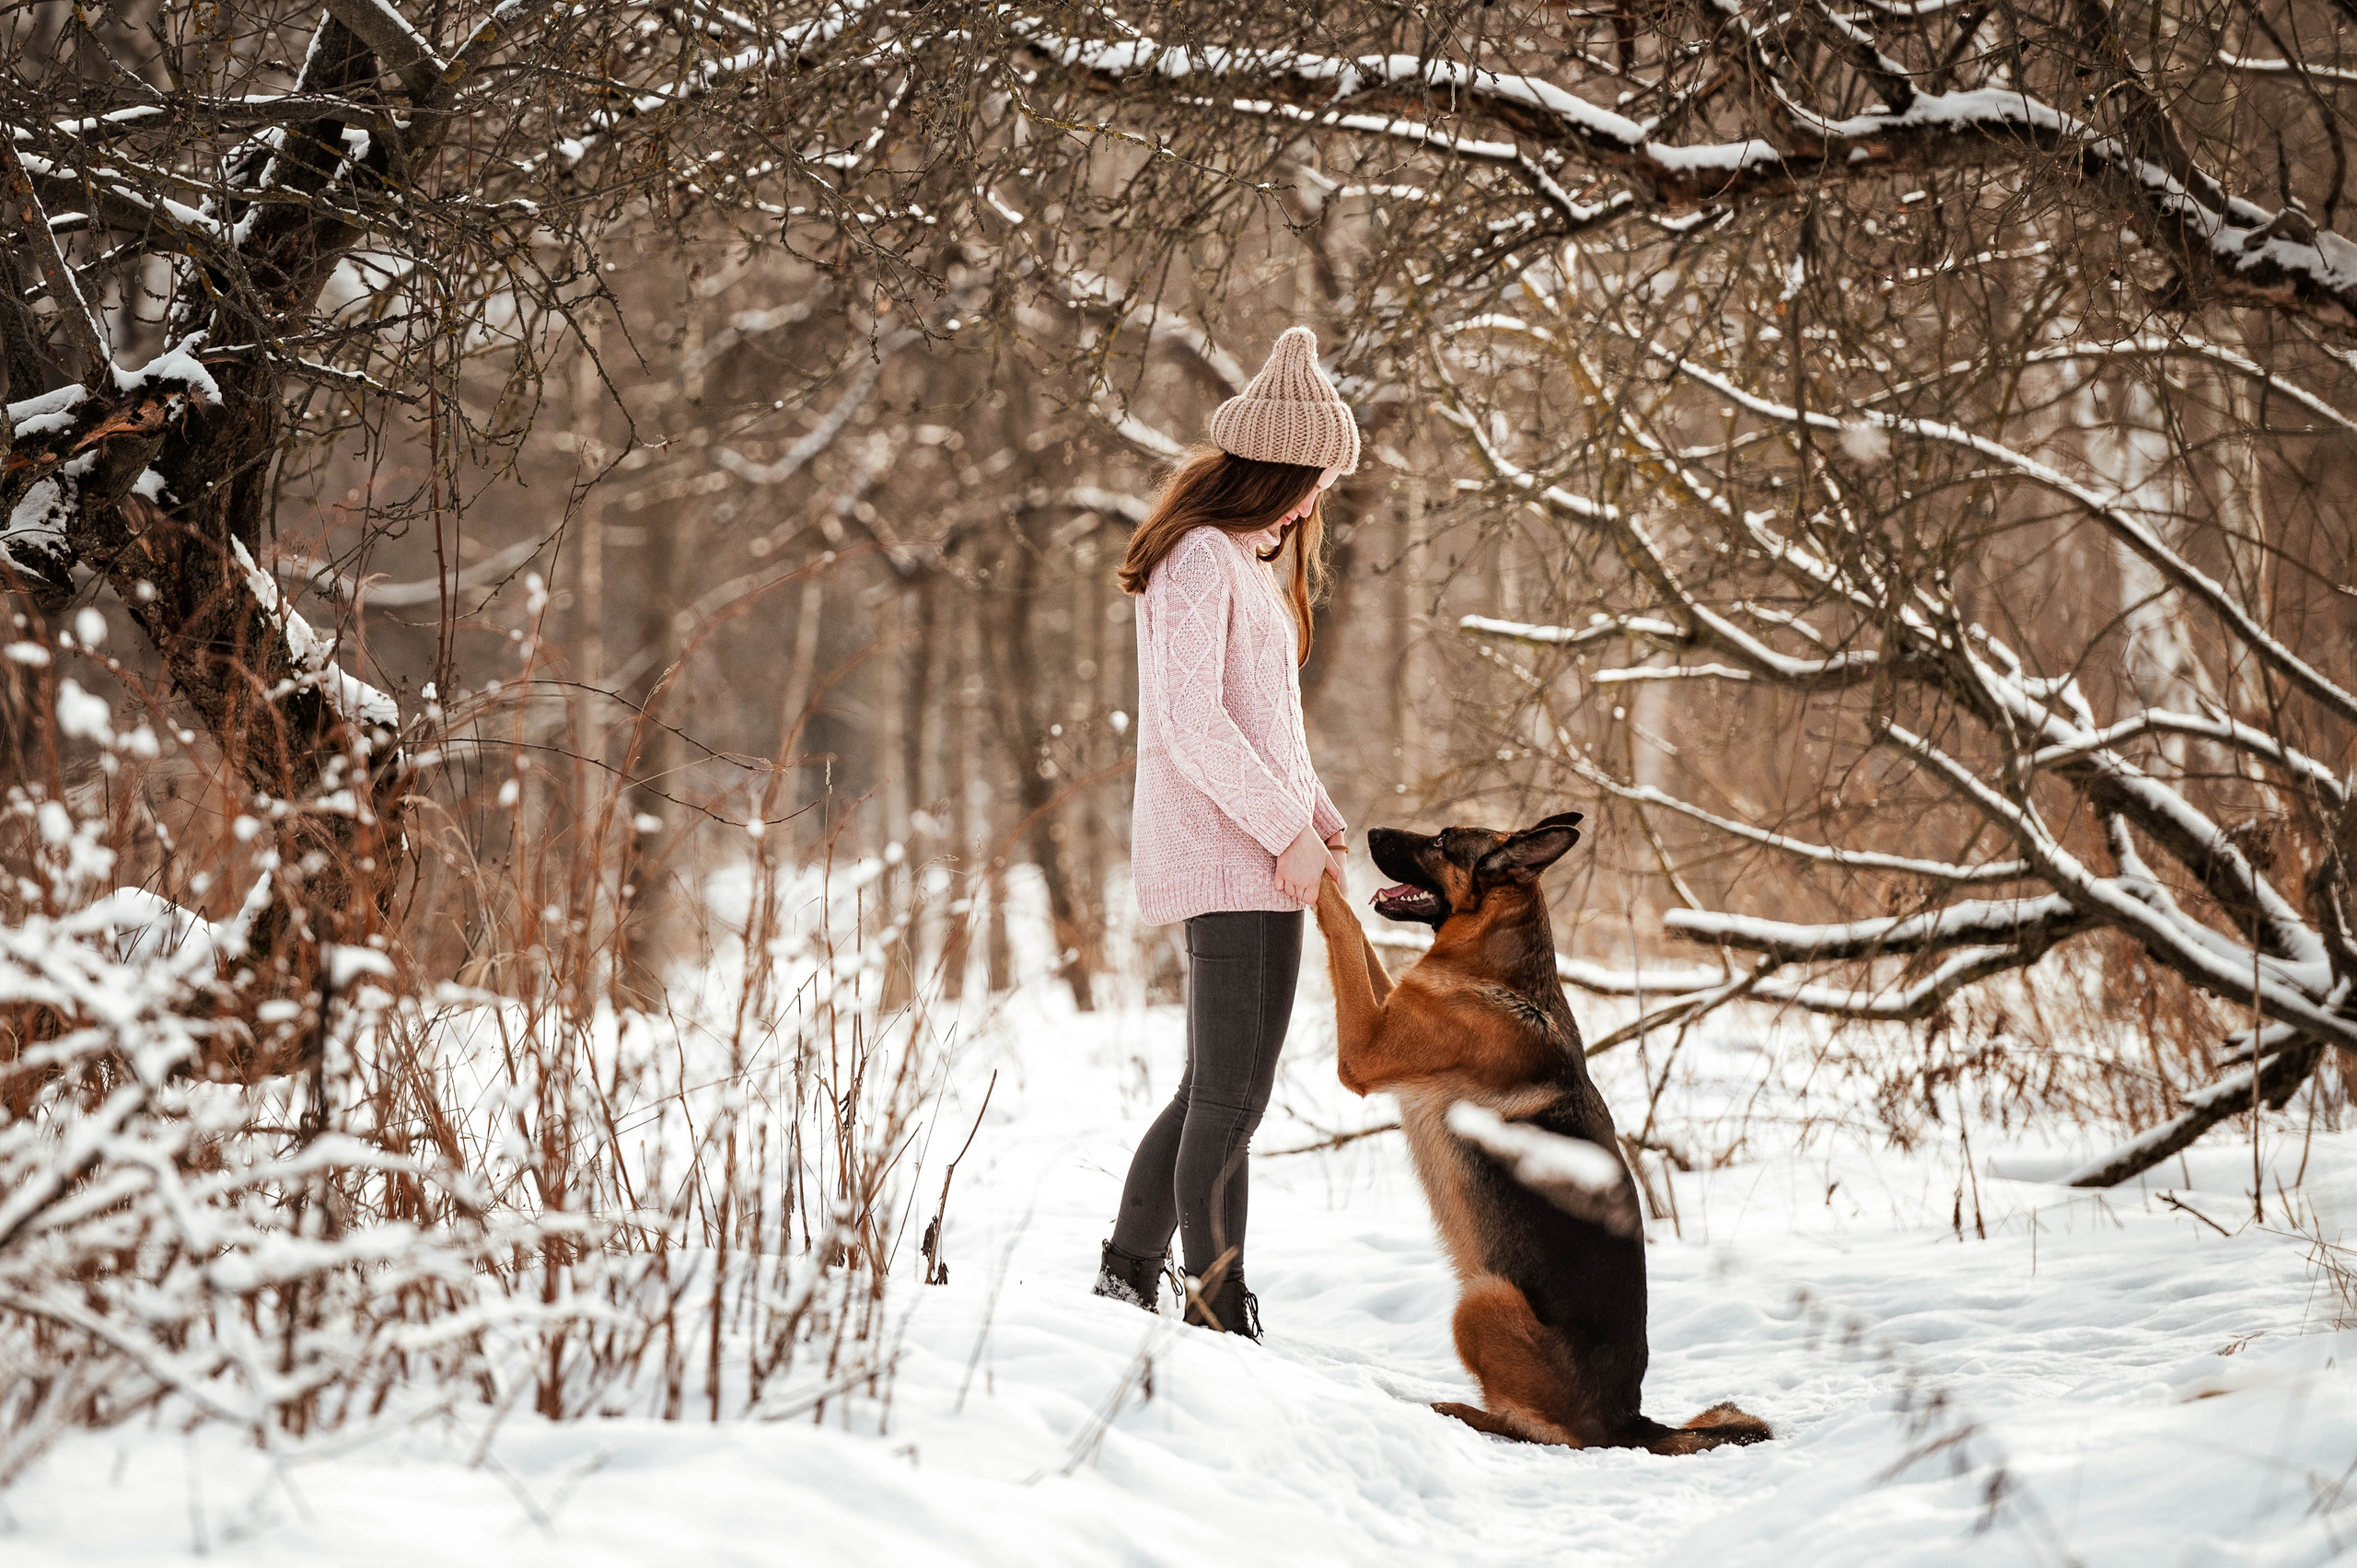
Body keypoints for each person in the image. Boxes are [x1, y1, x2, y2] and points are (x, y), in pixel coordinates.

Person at [1092, 327, 1359, 1339]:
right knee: (1232, 1101)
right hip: (1230, 858)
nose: (1310, 505)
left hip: (1257, 851)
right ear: (1273, 472)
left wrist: (1319, 823)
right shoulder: (1203, 560)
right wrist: (1285, 830)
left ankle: (1129, 1273)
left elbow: (1263, 729)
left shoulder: (1234, 563)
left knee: (1212, 1089)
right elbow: (1190, 721)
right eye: (1309, 481)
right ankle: (1214, 1305)